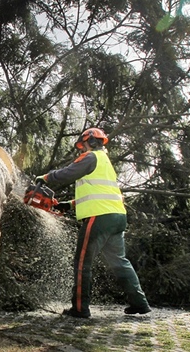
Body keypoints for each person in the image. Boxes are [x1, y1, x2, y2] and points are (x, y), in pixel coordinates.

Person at [36, 127, 151, 318]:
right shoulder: (106, 163)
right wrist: (70, 205)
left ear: (90, 141)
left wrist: (46, 177)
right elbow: (100, 193)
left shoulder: (91, 157)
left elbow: (67, 173)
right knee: (119, 262)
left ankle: (80, 309)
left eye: (83, 145)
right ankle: (140, 303)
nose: (82, 149)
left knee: (82, 263)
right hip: (117, 217)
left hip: (99, 218)